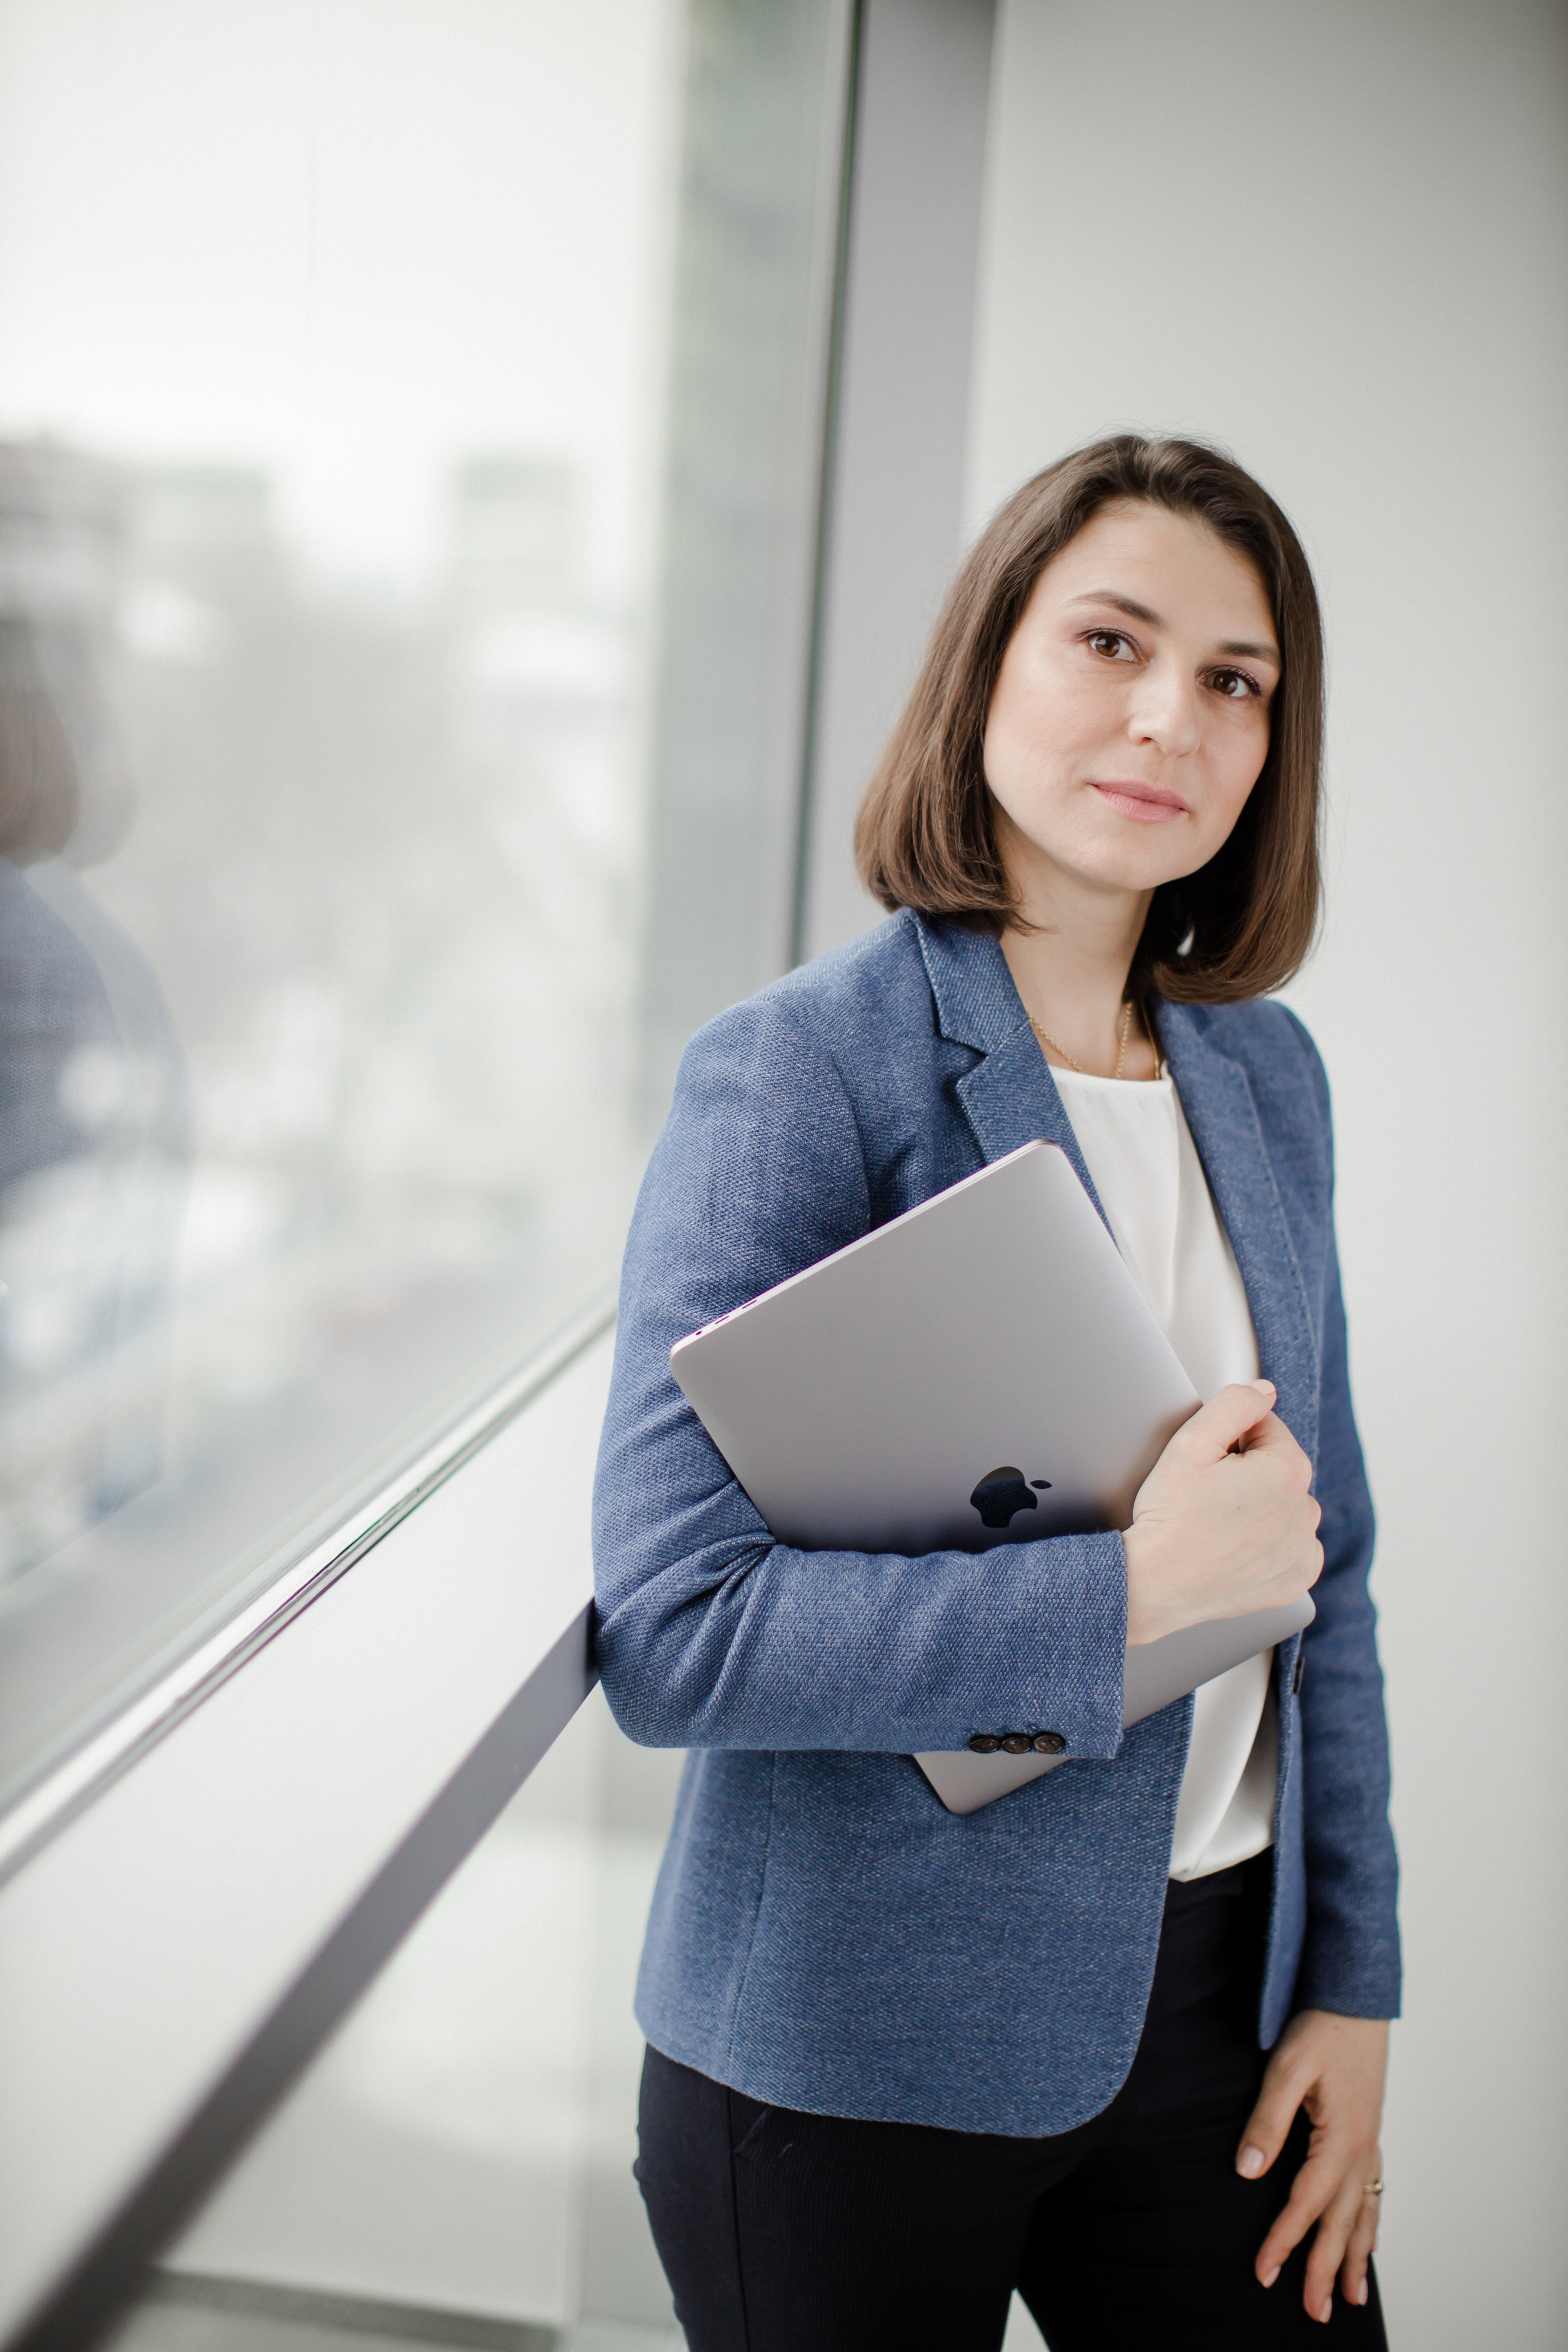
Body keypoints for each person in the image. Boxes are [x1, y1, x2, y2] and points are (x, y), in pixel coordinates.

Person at [592, 436, 1398, 2348]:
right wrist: (1131, 1594)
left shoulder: (1265, 1077)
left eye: (1233, 681)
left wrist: (1354, 1981)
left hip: (1222, 2005)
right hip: (850, 2054)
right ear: (990, 671)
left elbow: (1326, 1564)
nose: (1166, 718)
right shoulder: (800, 1075)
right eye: (1109, 641)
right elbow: (674, 1636)